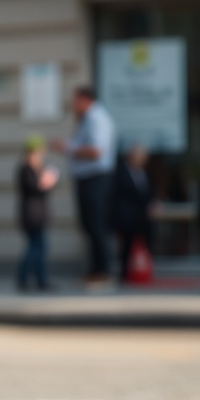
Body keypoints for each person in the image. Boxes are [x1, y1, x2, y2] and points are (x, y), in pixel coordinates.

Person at [51, 86, 117, 287]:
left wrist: (68, 147)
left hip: (95, 178)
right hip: (89, 178)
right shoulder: (89, 119)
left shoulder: (97, 119)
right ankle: (96, 270)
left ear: (85, 100)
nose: (73, 105)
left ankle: (102, 272)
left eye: (75, 100)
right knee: (90, 225)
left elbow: (96, 151)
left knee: (96, 225)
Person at [16, 134, 59, 291]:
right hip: (31, 216)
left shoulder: (36, 169)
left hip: (38, 215)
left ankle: (40, 279)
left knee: (39, 248)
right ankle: (24, 277)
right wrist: (45, 182)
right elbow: (34, 188)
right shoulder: (26, 170)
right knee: (35, 248)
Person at [111, 144, 156, 284]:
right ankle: (125, 274)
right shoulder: (121, 172)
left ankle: (144, 272)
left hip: (142, 217)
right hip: (127, 217)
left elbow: (147, 193)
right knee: (126, 246)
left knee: (145, 245)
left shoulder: (143, 173)